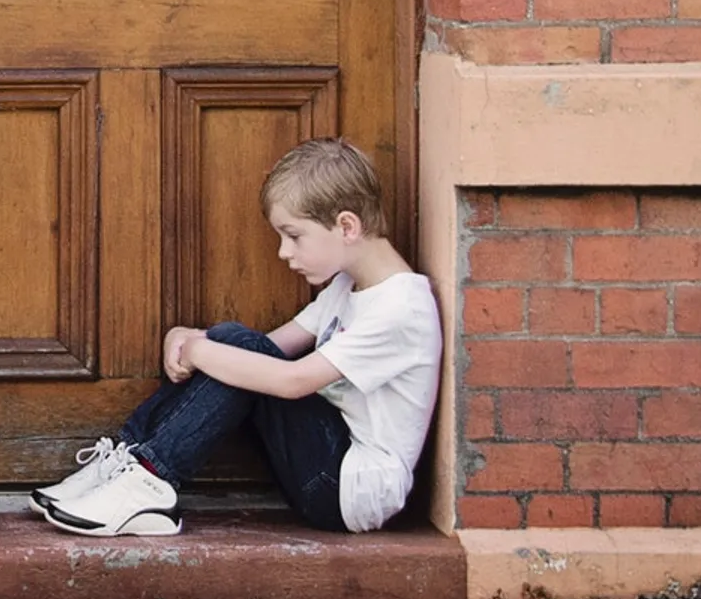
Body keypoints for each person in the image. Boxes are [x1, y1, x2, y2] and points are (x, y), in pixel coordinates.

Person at [30, 137, 441, 539]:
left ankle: (148, 482)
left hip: (349, 490)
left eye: (294, 236)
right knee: (232, 340)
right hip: (324, 464)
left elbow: (291, 380)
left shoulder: (402, 308)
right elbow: (269, 349)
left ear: (346, 226)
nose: (283, 252)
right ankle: (125, 460)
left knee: (235, 346)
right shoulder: (346, 288)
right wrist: (189, 338)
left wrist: (199, 349)